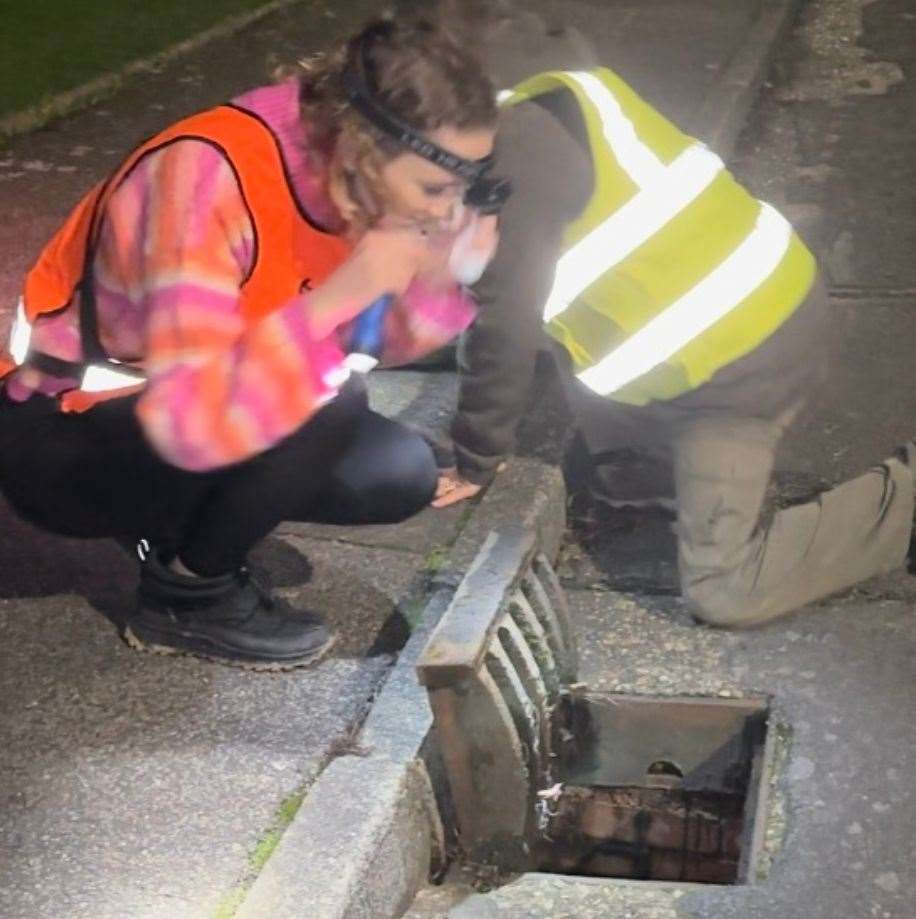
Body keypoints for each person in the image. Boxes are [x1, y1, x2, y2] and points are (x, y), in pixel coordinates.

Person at [0, 16, 500, 668]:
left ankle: (171, 524)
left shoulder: (357, 184)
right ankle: (185, 597)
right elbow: (194, 418)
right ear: (361, 150)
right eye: (437, 188)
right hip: (58, 428)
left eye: (469, 186)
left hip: (180, 401)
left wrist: (434, 276)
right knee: (328, 400)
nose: (447, 209)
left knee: (397, 473)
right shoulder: (199, 180)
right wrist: (335, 299)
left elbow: (384, 341)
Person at [428, 1, 915, 628]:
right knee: (607, 449)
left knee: (725, 591)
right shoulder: (555, 77)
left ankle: (904, 500)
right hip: (755, 307)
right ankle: (643, 476)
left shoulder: (516, 151)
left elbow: (502, 320)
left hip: (739, 371)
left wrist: (473, 455)